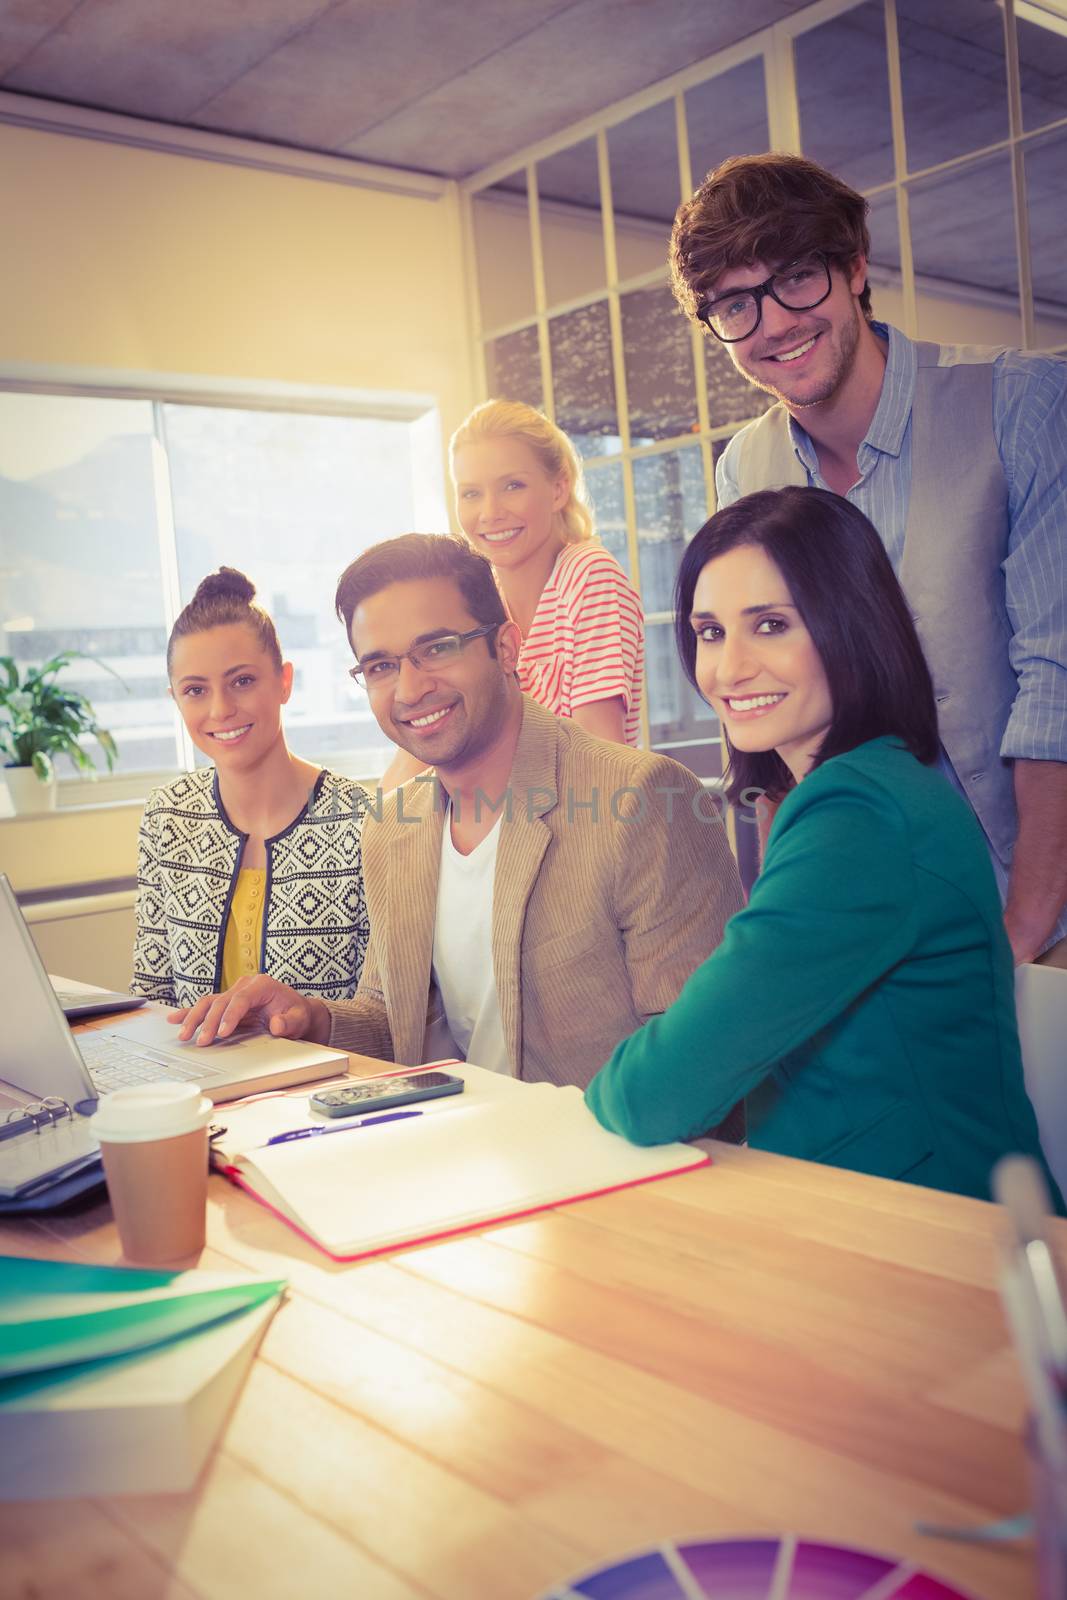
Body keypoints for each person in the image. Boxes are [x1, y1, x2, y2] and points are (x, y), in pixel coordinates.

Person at [586, 488, 1062, 1207]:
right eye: (708, 632)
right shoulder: (877, 784)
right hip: (881, 1218)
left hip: (946, 1252)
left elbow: (653, 1094)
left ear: (851, 626)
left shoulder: (859, 816)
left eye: (770, 625)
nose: (728, 668)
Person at [669, 152, 1067, 967]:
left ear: (853, 268)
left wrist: (1024, 930)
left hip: (1037, 908)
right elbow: (774, 722)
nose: (773, 323)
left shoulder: (1020, 405)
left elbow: (1055, 678)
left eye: (795, 278)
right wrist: (799, 919)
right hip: (880, 916)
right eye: (734, 304)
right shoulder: (745, 467)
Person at [171, 535, 744, 1091]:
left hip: (605, 1166)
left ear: (507, 648)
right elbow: (394, 1019)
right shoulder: (392, 825)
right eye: (380, 667)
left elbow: (704, 1064)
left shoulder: (638, 801)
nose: (410, 688)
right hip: (458, 1161)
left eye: (437, 647)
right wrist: (313, 1020)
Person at [132, 568, 370, 1007]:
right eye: (196, 690)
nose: (221, 709)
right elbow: (151, 995)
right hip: (197, 1074)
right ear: (175, 700)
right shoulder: (167, 816)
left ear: (284, 680)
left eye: (242, 681)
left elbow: (384, 1013)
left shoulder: (362, 820)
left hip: (331, 1075)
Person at [378, 402, 645, 789]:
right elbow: (415, 756)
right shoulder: (478, 600)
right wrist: (370, 831)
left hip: (583, 828)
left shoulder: (589, 575)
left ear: (558, 488)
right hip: (500, 825)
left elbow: (602, 758)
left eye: (512, 486)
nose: (490, 513)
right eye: (471, 493)